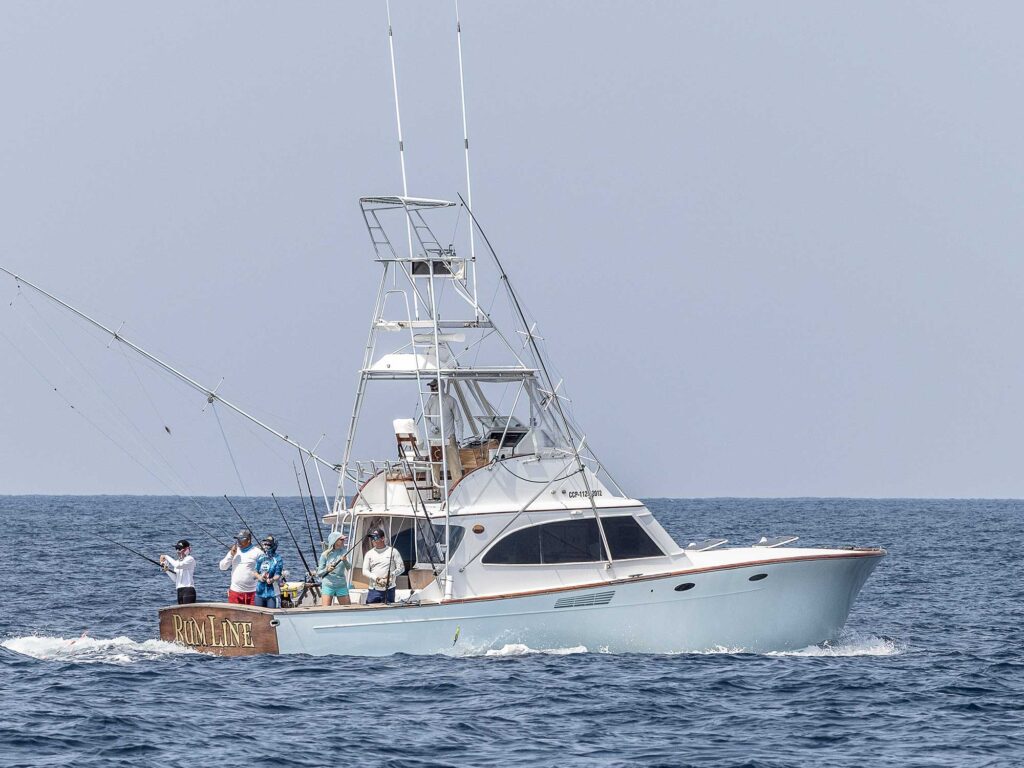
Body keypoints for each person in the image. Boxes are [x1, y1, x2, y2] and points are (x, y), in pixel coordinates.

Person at [424, 378, 463, 485]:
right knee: (435, 467)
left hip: (449, 437)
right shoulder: (430, 401)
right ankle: (436, 491)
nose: (432, 388)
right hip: (435, 439)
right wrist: (431, 427)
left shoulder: (450, 400)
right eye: (431, 386)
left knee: (454, 466)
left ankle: (457, 488)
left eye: (434, 386)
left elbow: (459, 420)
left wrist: (460, 437)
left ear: (440, 386)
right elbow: (426, 417)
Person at [362, 528, 405, 605]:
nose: (373, 540)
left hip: (389, 589)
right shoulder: (369, 553)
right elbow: (365, 571)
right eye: (372, 538)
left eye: (375, 538)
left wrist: (391, 575)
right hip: (373, 589)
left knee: (388, 612)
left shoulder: (393, 551)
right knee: (370, 610)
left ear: (383, 538)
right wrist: (376, 579)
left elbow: (401, 568)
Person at [218, 529, 261, 605]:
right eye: (237, 539)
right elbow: (222, 567)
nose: (239, 541)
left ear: (248, 540)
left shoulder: (258, 552)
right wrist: (231, 555)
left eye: (241, 539)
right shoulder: (234, 551)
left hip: (253, 592)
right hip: (235, 591)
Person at [316, 531, 351, 606]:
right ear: (335, 541)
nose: (343, 541)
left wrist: (345, 561)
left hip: (341, 585)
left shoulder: (344, 552)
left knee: (347, 609)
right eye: (341, 540)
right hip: (328, 585)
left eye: (343, 540)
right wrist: (327, 570)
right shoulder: (325, 555)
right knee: (326, 610)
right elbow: (319, 573)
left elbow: (349, 567)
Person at [160, 539, 196, 605]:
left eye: (180, 549)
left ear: (187, 549)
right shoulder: (177, 562)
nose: (177, 551)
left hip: (188, 590)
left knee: (187, 612)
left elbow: (178, 565)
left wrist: (166, 556)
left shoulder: (190, 559)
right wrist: (166, 570)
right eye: (176, 549)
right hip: (179, 590)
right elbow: (175, 579)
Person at [253, 535, 284, 609]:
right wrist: (260, 577)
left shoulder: (278, 559)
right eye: (265, 544)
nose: (266, 546)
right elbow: (255, 572)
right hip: (259, 592)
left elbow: (278, 574)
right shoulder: (261, 557)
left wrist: (272, 580)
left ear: (273, 545)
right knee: (258, 613)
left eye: (268, 544)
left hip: (272, 593)